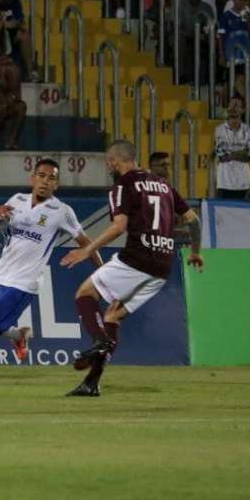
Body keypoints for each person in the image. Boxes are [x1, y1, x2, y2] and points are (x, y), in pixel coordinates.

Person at [0, 159, 102, 384]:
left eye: (51, 178)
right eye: (41, 175)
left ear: (57, 185)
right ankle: (18, 335)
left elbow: (86, 243)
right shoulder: (17, 200)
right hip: (0, 275)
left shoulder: (62, 211)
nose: (44, 181)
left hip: (24, 282)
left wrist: (103, 273)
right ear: (32, 178)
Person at [60, 140, 203, 397]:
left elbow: (119, 227)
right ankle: (91, 383)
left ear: (116, 161)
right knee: (112, 316)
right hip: (163, 265)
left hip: (137, 258)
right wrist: (195, 252)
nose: (110, 168)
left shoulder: (123, 185)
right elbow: (194, 221)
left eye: (109, 164)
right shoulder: (164, 185)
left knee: (85, 293)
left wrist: (87, 250)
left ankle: (100, 342)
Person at [214, 97, 250, 199]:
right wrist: (241, 153)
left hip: (245, 183)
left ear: (243, 110)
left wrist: (231, 154)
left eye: (237, 105)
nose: (233, 108)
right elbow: (222, 156)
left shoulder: (249, 130)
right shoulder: (219, 130)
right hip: (224, 183)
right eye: (231, 104)